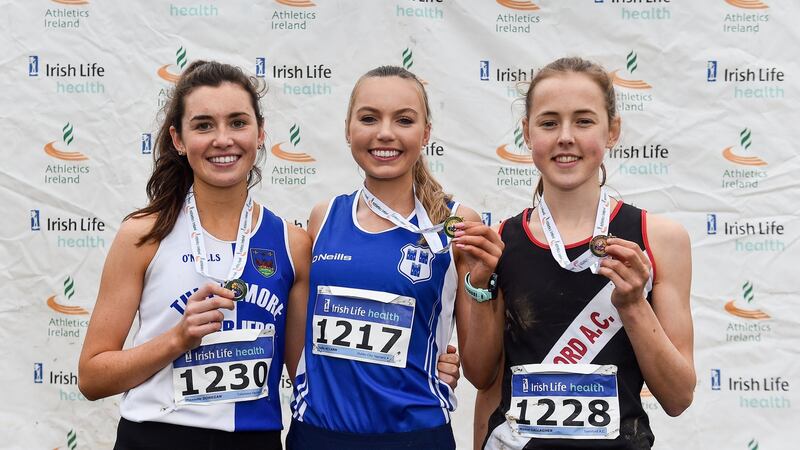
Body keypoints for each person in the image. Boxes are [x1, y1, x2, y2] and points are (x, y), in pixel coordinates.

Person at [460, 57, 695, 449]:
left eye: (584, 121)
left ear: (612, 130)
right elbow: (483, 378)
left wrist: (634, 303)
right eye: (549, 123)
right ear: (526, 133)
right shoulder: (501, 239)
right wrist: (480, 288)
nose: (565, 137)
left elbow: (678, 397)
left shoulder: (658, 239)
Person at [78, 61, 311, 449]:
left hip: (254, 439)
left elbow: (310, 377)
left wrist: (424, 365)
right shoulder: (143, 235)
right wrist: (176, 340)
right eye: (204, 125)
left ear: (261, 133)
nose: (223, 139)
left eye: (238, 123)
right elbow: (91, 377)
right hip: (156, 437)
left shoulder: (293, 244)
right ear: (179, 139)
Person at [286, 65, 482, 450]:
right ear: (348, 129)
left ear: (426, 133)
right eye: (369, 118)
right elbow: (302, 341)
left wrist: (441, 363)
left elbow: (480, 361)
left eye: (404, 120)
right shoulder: (323, 217)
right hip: (318, 435)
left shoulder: (455, 223)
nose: (385, 132)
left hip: (415, 436)